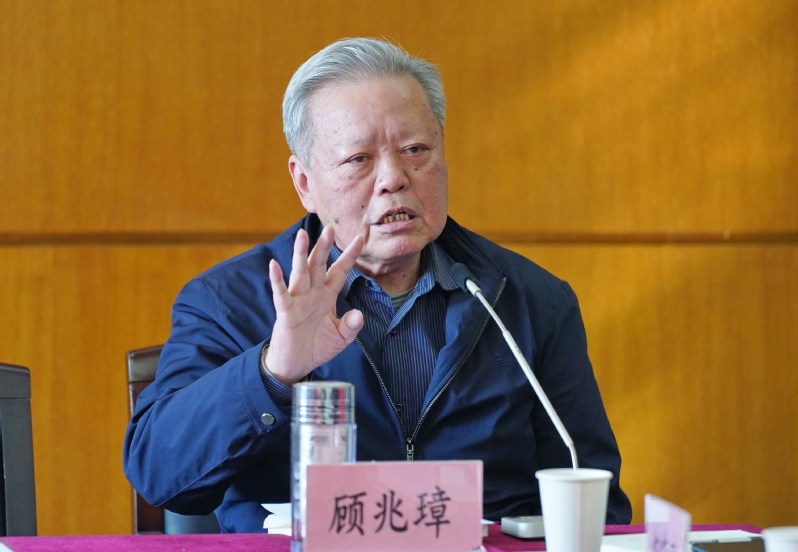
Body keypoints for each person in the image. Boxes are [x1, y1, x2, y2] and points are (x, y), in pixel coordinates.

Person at [123, 37, 632, 533]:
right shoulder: (229, 301)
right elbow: (159, 475)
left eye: (415, 149)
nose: (393, 178)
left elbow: (594, 501)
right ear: (305, 182)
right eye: (358, 159)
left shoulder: (529, 300)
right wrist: (273, 372)